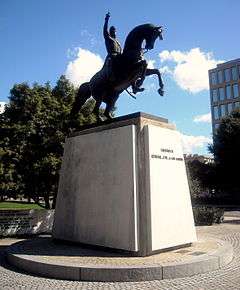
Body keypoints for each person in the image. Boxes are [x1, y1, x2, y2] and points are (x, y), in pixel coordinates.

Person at [103, 12, 144, 94]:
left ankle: (134, 86)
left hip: (119, 56)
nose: (114, 32)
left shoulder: (118, 42)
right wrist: (106, 20)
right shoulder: (108, 38)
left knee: (131, 65)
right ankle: (113, 77)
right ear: (110, 32)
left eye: (115, 30)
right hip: (113, 57)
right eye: (112, 30)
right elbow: (105, 30)